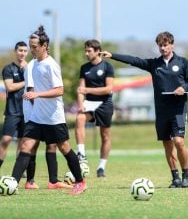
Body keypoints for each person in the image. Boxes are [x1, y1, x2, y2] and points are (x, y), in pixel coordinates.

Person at [101, 31, 188, 188]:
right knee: (167, 144)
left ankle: (186, 174)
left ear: (172, 44)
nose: (163, 48)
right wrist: (113, 55)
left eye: (165, 45)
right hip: (161, 111)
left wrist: (183, 88)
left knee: (179, 141)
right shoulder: (154, 64)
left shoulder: (183, 62)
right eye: (160, 45)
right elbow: (134, 61)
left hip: (179, 110)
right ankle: (175, 178)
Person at [11, 25, 87, 195]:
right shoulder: (34, 64)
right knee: (26, 145)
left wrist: (37, 94)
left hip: (54, 117)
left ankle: (81, 182)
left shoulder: (51, 65)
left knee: (64, 148)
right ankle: (12, 183)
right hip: (37, 117)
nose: (32, 50)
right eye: (30, 47)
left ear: (44, 46)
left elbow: (59, 90)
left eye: (34, 47)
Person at [23, 58, 72, 190]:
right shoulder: (33, 65)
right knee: (31, 145)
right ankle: (30, 181)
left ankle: (53, 181)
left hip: (45, 114)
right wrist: (37, 112)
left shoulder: (47, 64)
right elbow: (31, 89)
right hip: (36, 114)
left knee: (52, 144)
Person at [0, 41, 39, 189]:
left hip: (28, 112)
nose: (22, 53)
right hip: (12, 111)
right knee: (6, 139)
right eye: (20, 50)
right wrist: (26, 79)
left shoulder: (32, 68)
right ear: (15, 51)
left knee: (24, 143)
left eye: (25, 50)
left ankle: (19, 173)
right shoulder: (9, 69)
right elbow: (10, 87)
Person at [75, 39, 114, 178]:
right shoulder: (84, 68)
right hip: (89, 103)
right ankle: (81, 154)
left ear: (97, 51)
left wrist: (87, 90)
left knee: (105, 136)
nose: (86, 53)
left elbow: (109, 89)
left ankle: (101, 167)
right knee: (79, 118)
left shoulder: (107, 67)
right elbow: (80, 89)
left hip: (105, 103)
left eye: (89, 51)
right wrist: (80, 104)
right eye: (85, 50)